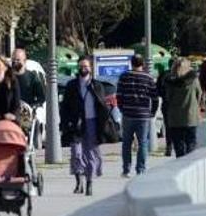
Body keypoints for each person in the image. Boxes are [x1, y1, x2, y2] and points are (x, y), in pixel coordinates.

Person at [61, 56, 118, 196]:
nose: (83, 69)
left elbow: (102, 106)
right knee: (76, 152)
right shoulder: (71, 85)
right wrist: (65, 122)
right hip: (76, 123)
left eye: (86, 66)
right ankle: (78, 179)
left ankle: (89, 182)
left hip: (92, 122)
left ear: (91, 68)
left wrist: (104, 123)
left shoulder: (97, 85)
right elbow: (65, 106)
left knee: (91, 153)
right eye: (81, 66)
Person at [116, 54, 159, 177]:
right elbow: (154, 97)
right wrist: (153, 112)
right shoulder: (148, 78)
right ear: (143, 64)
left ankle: (126, 169)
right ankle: (140, 169)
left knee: (126, 143)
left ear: (131, 63)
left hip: (128, 114)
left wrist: (122, 108)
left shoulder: (124, 77)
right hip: (143, 115)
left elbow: (119, 95)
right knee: (143, 143)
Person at [164, 57, 202, 157]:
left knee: (179, 148)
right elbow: (199, 94)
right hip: (191, 117)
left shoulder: (169, 82)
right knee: (191, 145)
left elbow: (168, 98)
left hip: (175, 119)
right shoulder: (193, 80)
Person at [155, 64, 174, 157]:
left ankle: (169, 147)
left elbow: (157, 90)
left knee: (168, 126)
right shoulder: (180, 74)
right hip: (178, 104)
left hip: (166, 103)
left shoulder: (163, 75)